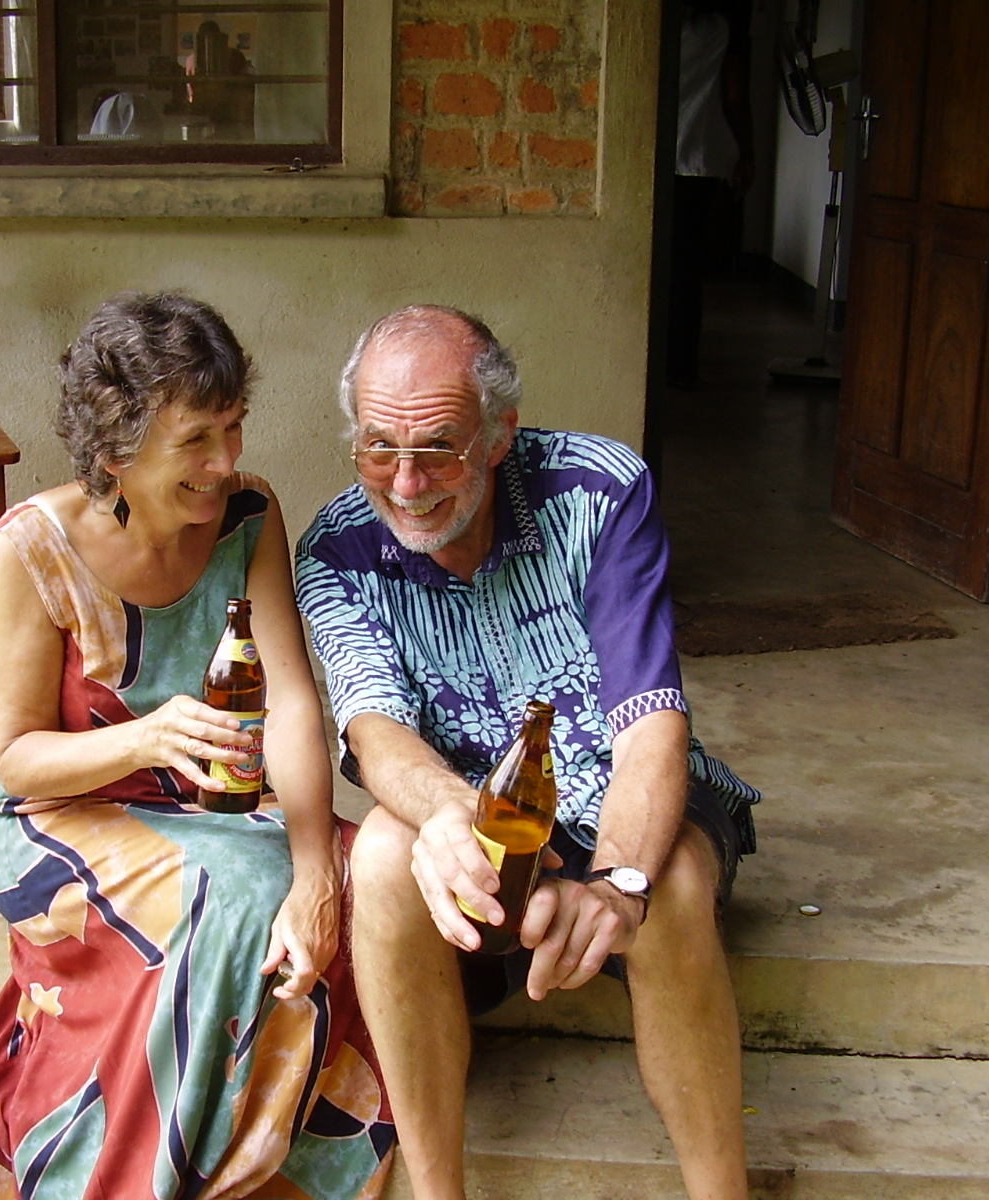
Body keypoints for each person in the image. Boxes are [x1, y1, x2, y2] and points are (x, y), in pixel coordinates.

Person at [295, 306, 761, 1200]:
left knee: (673, 886)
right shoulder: (338, 551)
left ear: (501, 432)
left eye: (438, 447)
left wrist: (619, 880)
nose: (406, 481)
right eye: (378, 447)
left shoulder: (598, 489)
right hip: (482, 819)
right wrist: (447, 818)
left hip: (617, 794)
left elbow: (652, 726)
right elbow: (373, 730)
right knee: (388, 854)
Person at [0, 293, 394, 1199]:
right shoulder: (35, 550)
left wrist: (314, 872)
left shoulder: (249, 514)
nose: (226, 463)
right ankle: (131, 1179)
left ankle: (259, 1166)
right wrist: (146, 737)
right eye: (196, 440)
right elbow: (15, 759)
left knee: (365, 876)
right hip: (67, 812)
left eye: (234, 427)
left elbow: (295, 703)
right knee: (231, 894)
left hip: (228, 806)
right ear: (114, 448)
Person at [667, 0, 755, 388]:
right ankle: (682, 368)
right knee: (686, 269)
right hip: (699, 157)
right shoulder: (720, 28)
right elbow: (734, 98)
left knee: (653, 267)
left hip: (651, 156)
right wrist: (748, 154)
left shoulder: (658, 27)